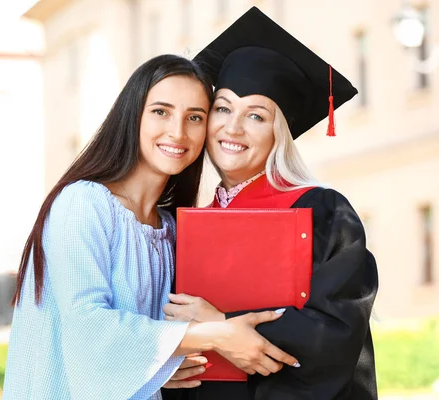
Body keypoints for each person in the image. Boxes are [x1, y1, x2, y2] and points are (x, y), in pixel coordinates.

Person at [2, 53, 299, 400]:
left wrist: (161, 366)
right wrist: (214, 334)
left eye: (195, 117)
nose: (177, 131)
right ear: (133, 116)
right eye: (161, 111)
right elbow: (88, 329)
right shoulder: (83, 203)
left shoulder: (174, 230)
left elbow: (150, 348)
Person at [161, 7, 379, 400]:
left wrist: (222, 326)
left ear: (279, 133)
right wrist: (165, 366)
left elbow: (336, 337)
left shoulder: (322, 213)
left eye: (256, 116)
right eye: (223, 108)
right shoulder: (184, 224)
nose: (233, 127)